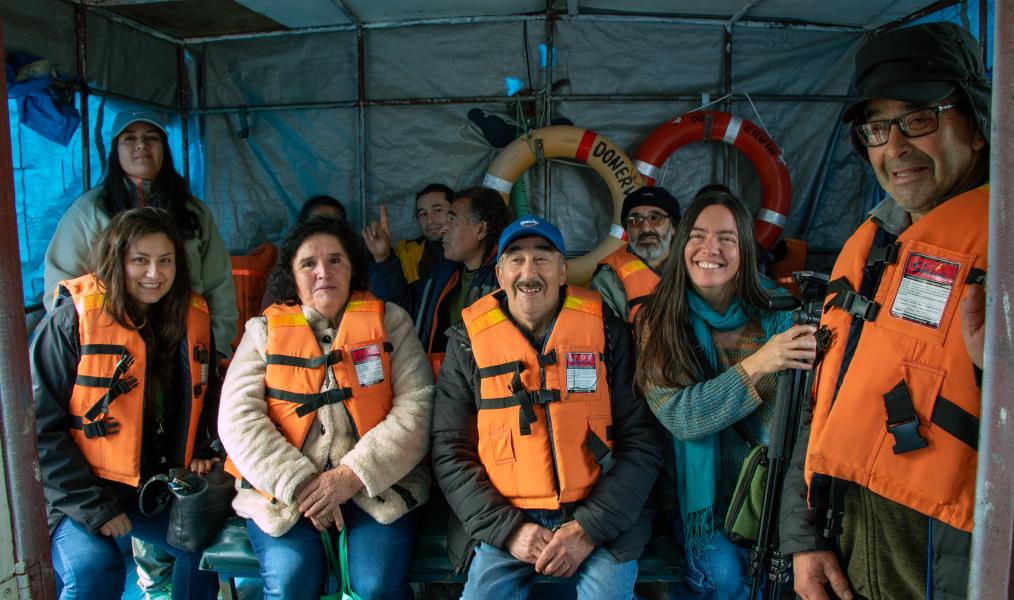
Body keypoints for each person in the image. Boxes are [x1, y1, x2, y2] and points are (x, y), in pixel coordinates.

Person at [780, 22, 991, 600]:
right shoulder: (874, 245)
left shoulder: (1004, 247)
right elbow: (824, 404)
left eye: (918, 118)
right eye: (877, 128)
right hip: (849, 554)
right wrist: (805, 537)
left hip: (951, 562)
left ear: (976, 126)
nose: (895, 148)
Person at [431, 215, 662, 599]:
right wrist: (510, 531)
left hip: (600, 518)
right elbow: (450, 450)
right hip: (505, 520)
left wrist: (588, 528)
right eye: (516, 259)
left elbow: (641, 441)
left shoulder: (608, 333)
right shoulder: (467, 343)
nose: (529, 272)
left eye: (542, 258)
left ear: (562, 271)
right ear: (500, 274)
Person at [218, 217, 434, 600]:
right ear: (292, 274)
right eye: (309, 264)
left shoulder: (391, 322)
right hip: (284, 495)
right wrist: (300, 482)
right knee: (291, 582)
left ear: (353, 268)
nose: (323, 272)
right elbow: (237, 418)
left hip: (378, 487)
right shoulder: (262, 332)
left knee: (376, 586)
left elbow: (417, 407)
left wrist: (352, 474)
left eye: (335, 260)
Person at [635, 189, 817, 599]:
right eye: (697, 236)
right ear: (682, 244)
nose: (710, 249)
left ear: (745, 249)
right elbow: (682, 417)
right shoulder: (657, 320)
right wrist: (759, 363)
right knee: (725, 577)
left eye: (726, 238)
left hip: (769, 493)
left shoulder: (783, 314)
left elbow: (805, 417)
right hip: (699, 504)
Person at [32, 207, 220, 599]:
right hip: (75, 490)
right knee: (94, 569)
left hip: (150, 485)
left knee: (203, 546)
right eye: (140, 260)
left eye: (165, 261)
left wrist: (204, 448)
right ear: (115, 261)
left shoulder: (190, 318)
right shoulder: (70, 321)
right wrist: (94, 507)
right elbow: (37, 431)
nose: (154, 273)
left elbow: (208, 396)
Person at [44, 108, 237, 358]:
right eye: (130, 138)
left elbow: (219, 286)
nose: (141, 145)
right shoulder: (88, 212)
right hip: (113, 351)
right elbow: (62, 289)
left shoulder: (194, 212)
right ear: (115, 150)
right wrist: (87, 346)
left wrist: (215, 348)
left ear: (164, 148)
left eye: (151, 137)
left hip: (185, 347)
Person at [367, 186, 513, 355]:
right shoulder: (444, 274)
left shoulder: (506, 280)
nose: (444, 228)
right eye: (422, 213)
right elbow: (402, 309)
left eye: (452, 220)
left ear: (480, 230)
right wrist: (383, 258)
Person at [591, 186, 680, 325]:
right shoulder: (608, 280)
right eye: (635, 220)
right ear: (627, 230)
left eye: (655, 218)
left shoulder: (696, 266)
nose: (646, 228)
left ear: (673, 227)